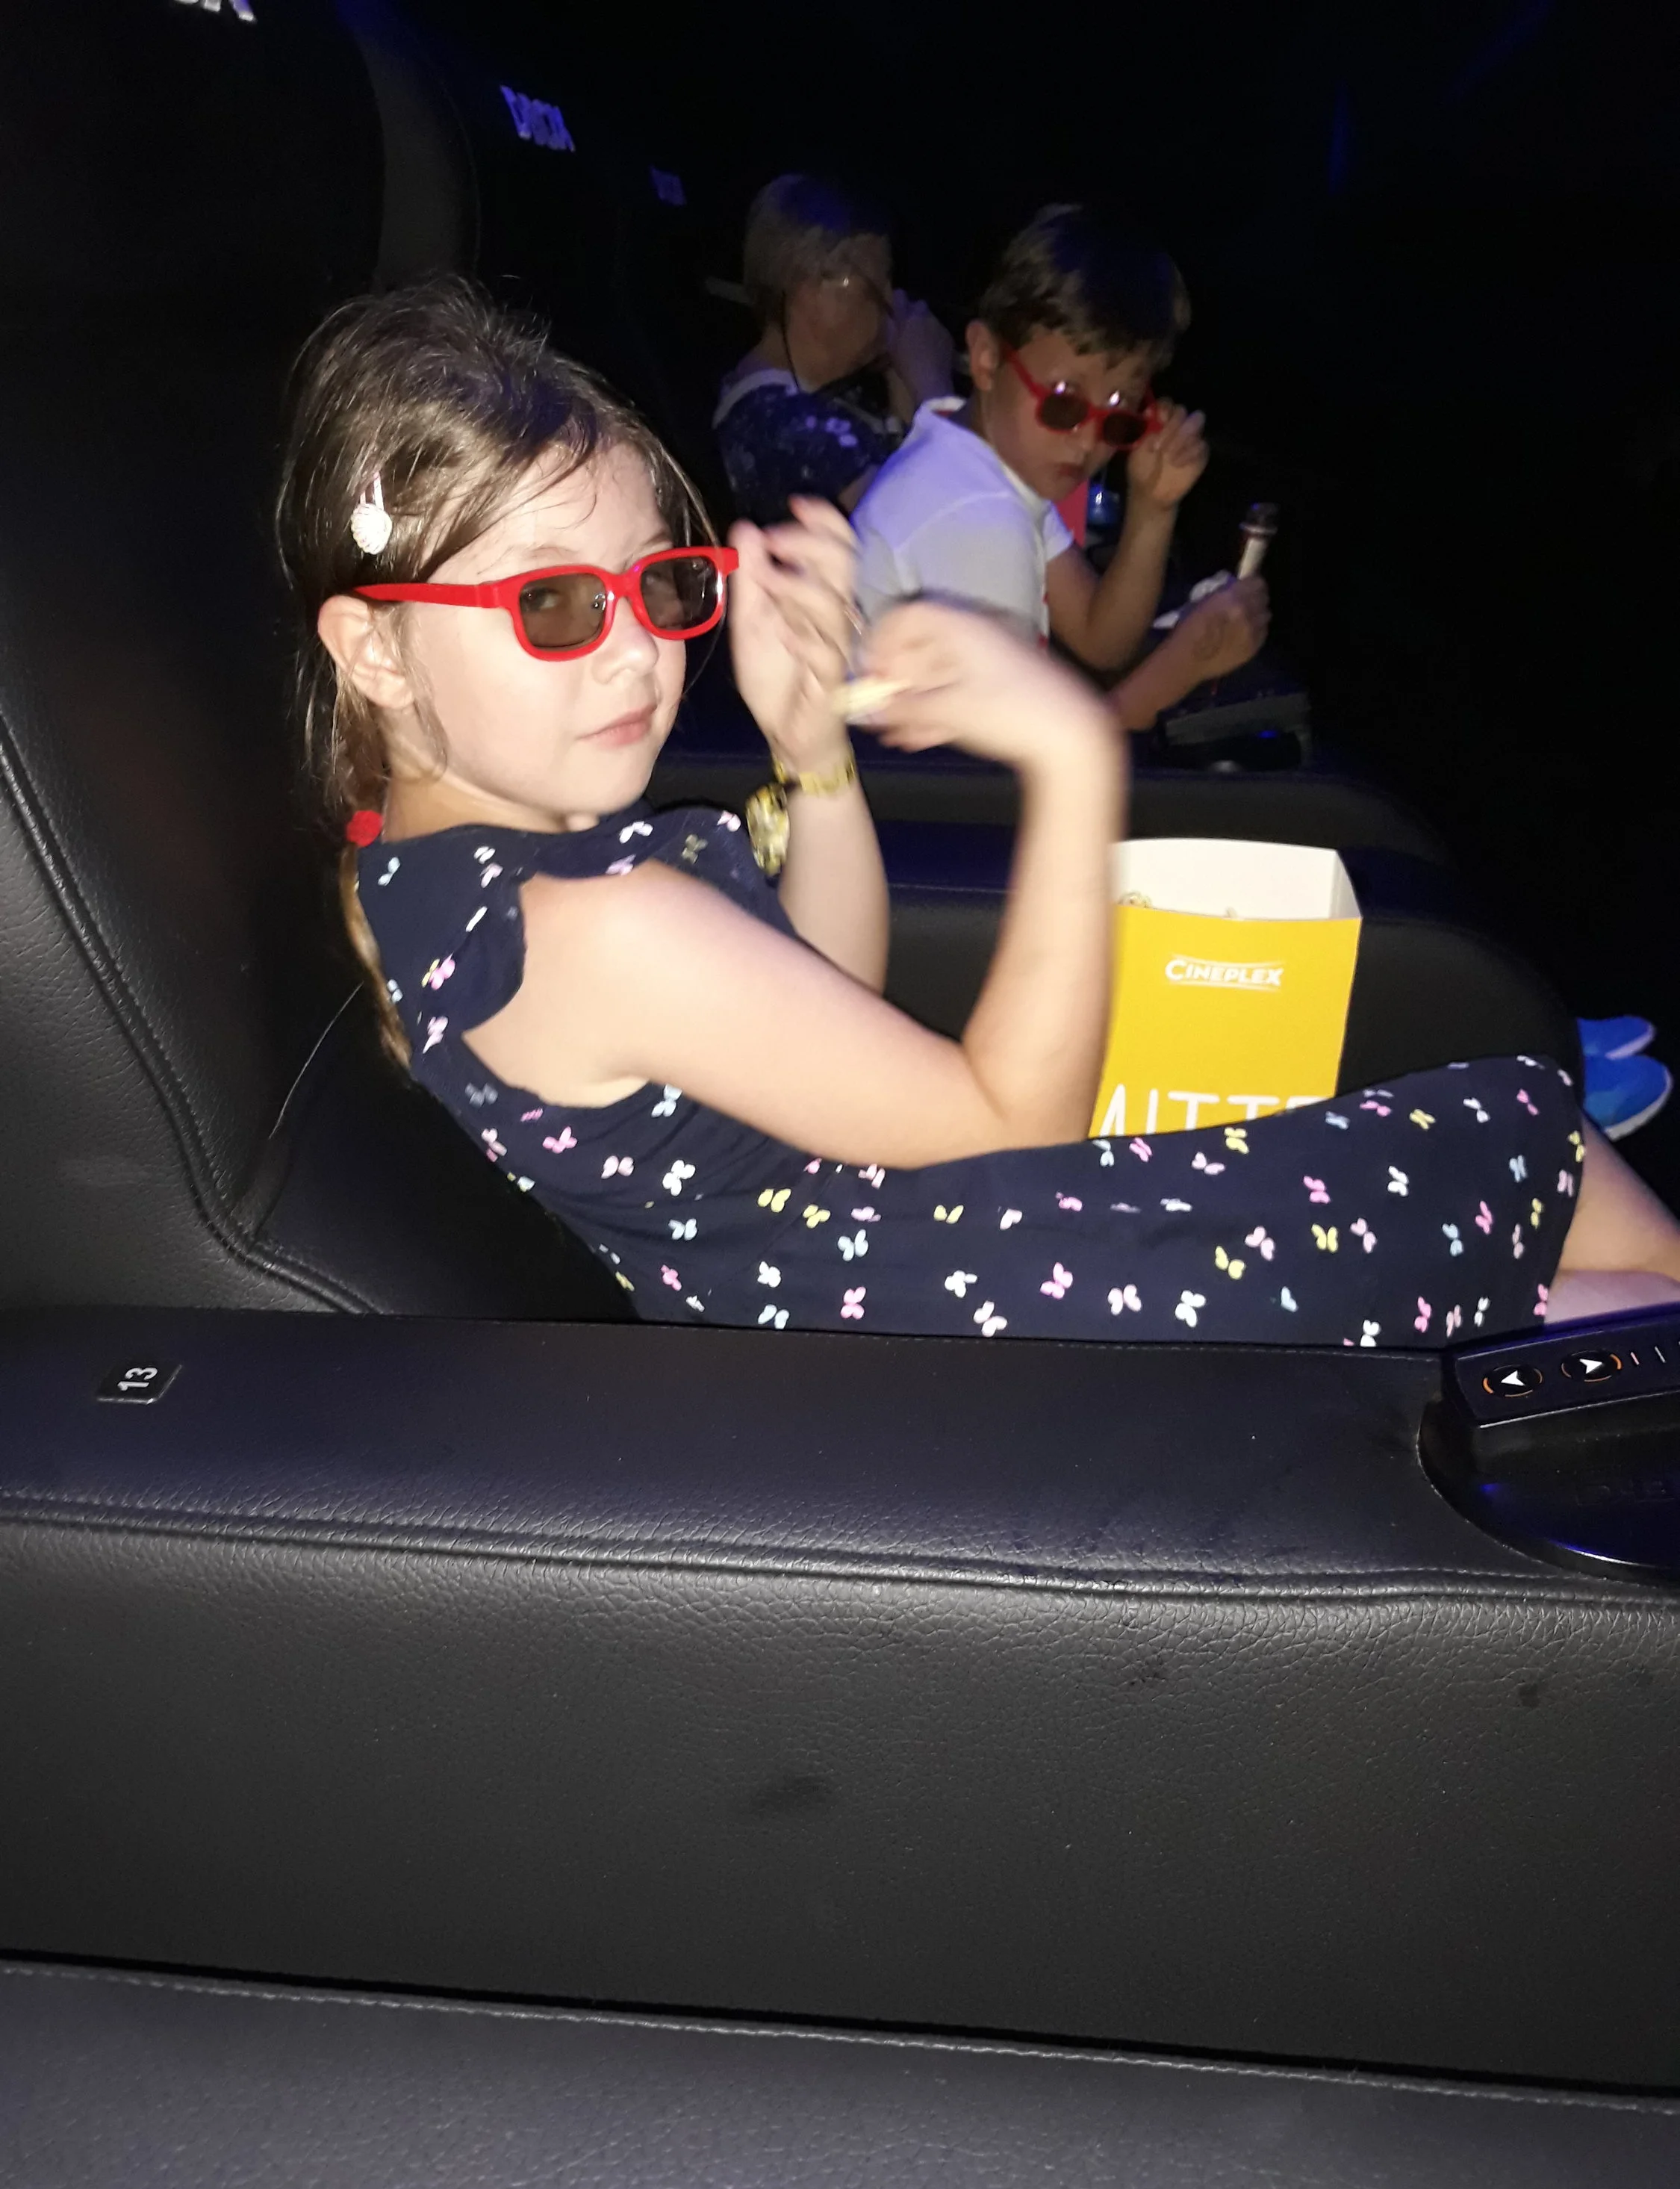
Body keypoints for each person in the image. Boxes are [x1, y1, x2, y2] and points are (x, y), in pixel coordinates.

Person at [281, 279, 1680, 1345]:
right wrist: (1069, 757)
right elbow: (1016, 1127)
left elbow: (821, 991)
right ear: (374, 650)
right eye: (553, 604)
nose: (637, 651)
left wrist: (810, 750)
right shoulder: (593, 927)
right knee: (1544, 1187)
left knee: (1525, 1132)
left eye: (658, 585)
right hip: (996, 1310)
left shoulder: (457, 872)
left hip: (920, 1246)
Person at [853, 203, 1268, 724]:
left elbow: (1100, 638)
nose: (1089, 438)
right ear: (986, 360)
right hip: (906, 776)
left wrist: (1153, 509)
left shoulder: (984, 457)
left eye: (1118, 410)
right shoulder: (973, 515)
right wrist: (1186, 662)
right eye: (1065, 402)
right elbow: (1029, 758)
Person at [714, 174, 954, 524]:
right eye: (878, 284)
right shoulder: (785, 425)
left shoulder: (797, 399)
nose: (891, 302)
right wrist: (934, 387)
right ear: (814, 287)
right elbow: (936, 531)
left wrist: (902, 382)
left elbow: (899, 465)